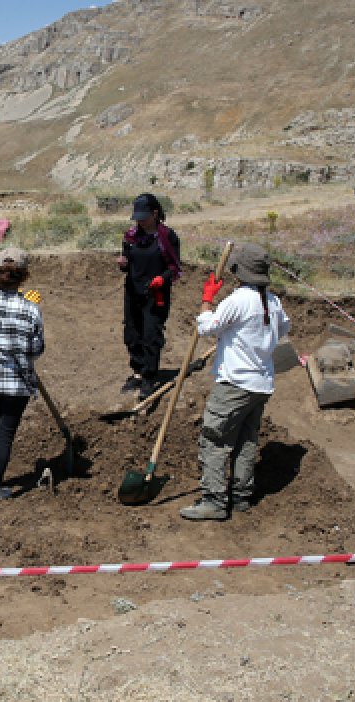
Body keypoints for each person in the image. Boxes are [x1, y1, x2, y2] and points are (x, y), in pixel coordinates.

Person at [180, 243, 291, 521]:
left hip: (235, 384)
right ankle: (241, 496)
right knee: (245, 440)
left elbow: (206, 327)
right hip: (261, 383)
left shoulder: (239, 299)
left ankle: (214, 501)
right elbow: (284, 327)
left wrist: (207, 300)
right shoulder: (273, 301)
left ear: (239, 271)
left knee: (214, 439)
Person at [0, 246, 45, 508]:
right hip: (16, 383)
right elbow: (36, 350)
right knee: (5, 433)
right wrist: (29, 305)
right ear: (24, 277)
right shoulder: (31, 311)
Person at [118, 193, 183, 401]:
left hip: (156, 295)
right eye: (137, 217)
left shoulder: (168, 237)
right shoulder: (130, 237)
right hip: (133, 291)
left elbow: (174, 268)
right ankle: (137, 372)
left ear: (155, 214)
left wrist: (161, 280)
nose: (140, 220)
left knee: (150, 336)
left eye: (144, 216)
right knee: (132, 334)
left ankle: (149, 377)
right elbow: (127, 262)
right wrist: (123, 263)